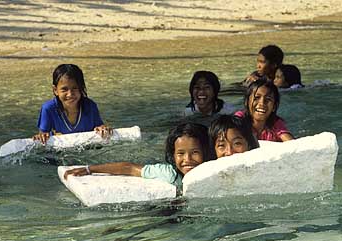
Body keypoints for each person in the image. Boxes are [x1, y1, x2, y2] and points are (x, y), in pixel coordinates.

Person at [63, 122, 212, 195]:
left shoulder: (213, 169)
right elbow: (130, 168)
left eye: (195, 152)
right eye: (180, 153)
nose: (187, 159)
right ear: (172, 155)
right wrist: (89, 169)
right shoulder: (169, 174)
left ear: (205, 152)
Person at [33, 64, 110, 144]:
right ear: (55, 90)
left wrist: (103, 129)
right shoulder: (49, 109)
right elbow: (43, 136)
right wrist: (41, 136)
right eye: (64, 89)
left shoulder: (90, 106)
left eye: (75, 88)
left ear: (81, 88)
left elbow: (100, 128)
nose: (70, 94)